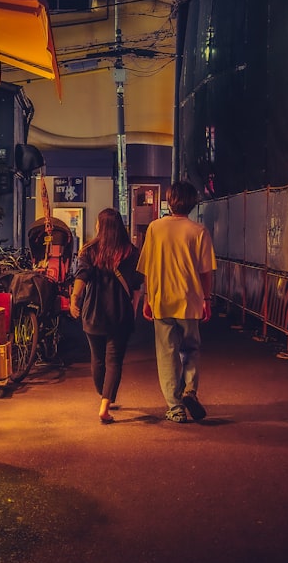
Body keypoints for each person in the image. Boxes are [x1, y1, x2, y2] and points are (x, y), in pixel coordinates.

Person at [137, 180, 217, 423]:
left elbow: (148, 267)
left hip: (162, 300)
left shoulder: (154, 228)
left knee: (167, 354)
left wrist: (147, 298)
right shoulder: (198, 231)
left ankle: (175, 408)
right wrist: (207, 299)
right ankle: (189, 389)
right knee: (191, 349)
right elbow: (205, 272)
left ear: (170, 202)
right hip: (190, 300)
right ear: (193, 203)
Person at [69, 208, 144, 425]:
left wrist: (75, 299)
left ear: (100, 226)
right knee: (114, 360)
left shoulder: (89, 250)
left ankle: (104, 395)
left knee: (97, 359)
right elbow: (136, 286)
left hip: (93, 311)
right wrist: (134, 309)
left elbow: (81, 277)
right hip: (120, 313)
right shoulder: (131, 251)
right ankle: (105, 401)